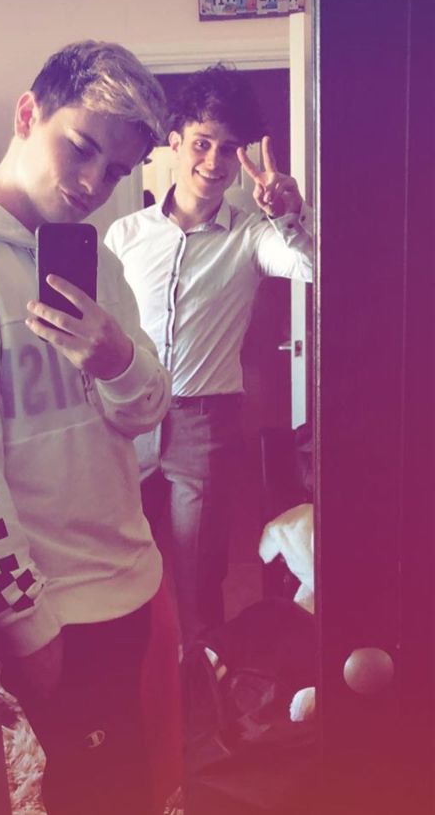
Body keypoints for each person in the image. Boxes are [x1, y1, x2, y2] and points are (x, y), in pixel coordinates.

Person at [0, 41, 172, 815]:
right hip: (53, 612)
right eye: (81, 148)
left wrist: (116, 359)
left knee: (129, 787)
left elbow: (144, 415)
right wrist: (29, 627)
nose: (93, 184)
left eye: (116, 170)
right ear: (28, 113)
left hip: (128, 579)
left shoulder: (99, 264)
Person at [105, 64, 313, 650]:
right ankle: (138, 672)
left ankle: (204, 677)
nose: (214, 161)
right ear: (174, 143)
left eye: (228, 148)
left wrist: (289, 214)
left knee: (199, 571)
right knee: (122, 561)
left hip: (205, 423)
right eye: (201, 143)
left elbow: (314, 265)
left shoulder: (254, 234)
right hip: (125, 416)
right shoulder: (125, 235)